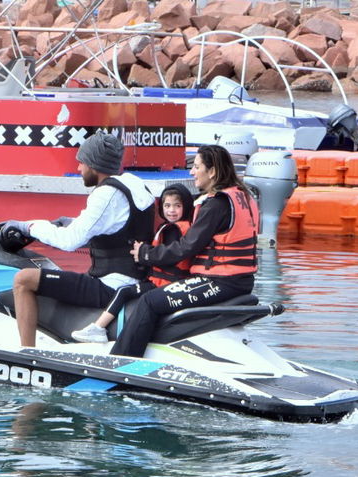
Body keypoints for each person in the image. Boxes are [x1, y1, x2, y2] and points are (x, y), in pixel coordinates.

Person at [107, 144, 260, 359]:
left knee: (150, 301)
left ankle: (121, 361)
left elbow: (186, 247)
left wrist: (146, 254)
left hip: (220, 282)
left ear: (213, 171)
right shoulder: (244, 197)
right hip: (241, 281)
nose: (192, 172)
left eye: (197, 167)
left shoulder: (216, 205)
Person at [6, 131, 155, 347]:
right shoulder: (133, 184)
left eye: (82, 163)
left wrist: (28, 226)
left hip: (110, 285)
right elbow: (114, 227)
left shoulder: (106, 194)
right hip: (133, 279)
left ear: (94, 165)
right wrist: (69, 221)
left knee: (23, 280)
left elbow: (70, 241)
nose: (79, 169)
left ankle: (27, 352)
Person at [68, 181, 195, 343]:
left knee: (124, 291)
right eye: (167, 205)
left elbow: (167, 257)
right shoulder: (176, 227)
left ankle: (98, 328)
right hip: (162, 280)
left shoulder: (173, 230)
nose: (171, 210)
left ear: (186, 206)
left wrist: (144, 254)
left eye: (177, 206)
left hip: (164, 284)